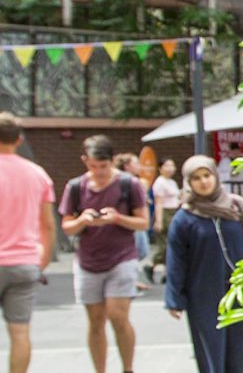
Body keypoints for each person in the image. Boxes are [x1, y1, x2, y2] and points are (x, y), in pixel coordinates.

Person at [165, 156, 243, 372]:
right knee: (213, 347)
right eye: (196, 178)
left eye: (207, 175)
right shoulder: (184, 218)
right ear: (189, 182)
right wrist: (174, 298)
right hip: (204, 293)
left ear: (215, 176)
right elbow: (176, 260)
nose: (204, 182)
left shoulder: (236, 206)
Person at [59, 134, 149, 373]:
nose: (98, 171)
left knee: (117, 315)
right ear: (84, 161)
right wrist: (82, 220)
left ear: (112, 161)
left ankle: (127, 368)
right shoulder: (75, 187)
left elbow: (143, 223)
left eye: (103, 166)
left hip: (121, 257)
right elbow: (66, 226)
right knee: (96, 321)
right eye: (92, 166)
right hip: (88, 260)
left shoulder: (129, 184)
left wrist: (117, 218)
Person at [0, 113, 55, 373]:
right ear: (19, 139)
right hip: (25, 262)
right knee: (20, 332)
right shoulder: (38, 174)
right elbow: (48, 224)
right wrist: (41, 261)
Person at [114, 154, 150, 291]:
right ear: (127, 166)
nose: (139, 166)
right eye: (136, 163)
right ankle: (130, 280)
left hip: (139, 220)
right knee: (137, 250)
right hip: (129, 222)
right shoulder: (121, 181)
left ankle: (131, 278)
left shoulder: (136, 181)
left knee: (141, 250)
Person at [148, 157, 182, 281]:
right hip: (165, 213)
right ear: (160, 168)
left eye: (172, 165)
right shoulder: (160, 182)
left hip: (174, 211)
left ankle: (168, 272)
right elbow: (159, 203)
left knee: (172, 243)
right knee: (165, 245)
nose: (170, 169)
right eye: (166, 166)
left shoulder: (172, 182)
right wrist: (158, 220)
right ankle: (152, 264)